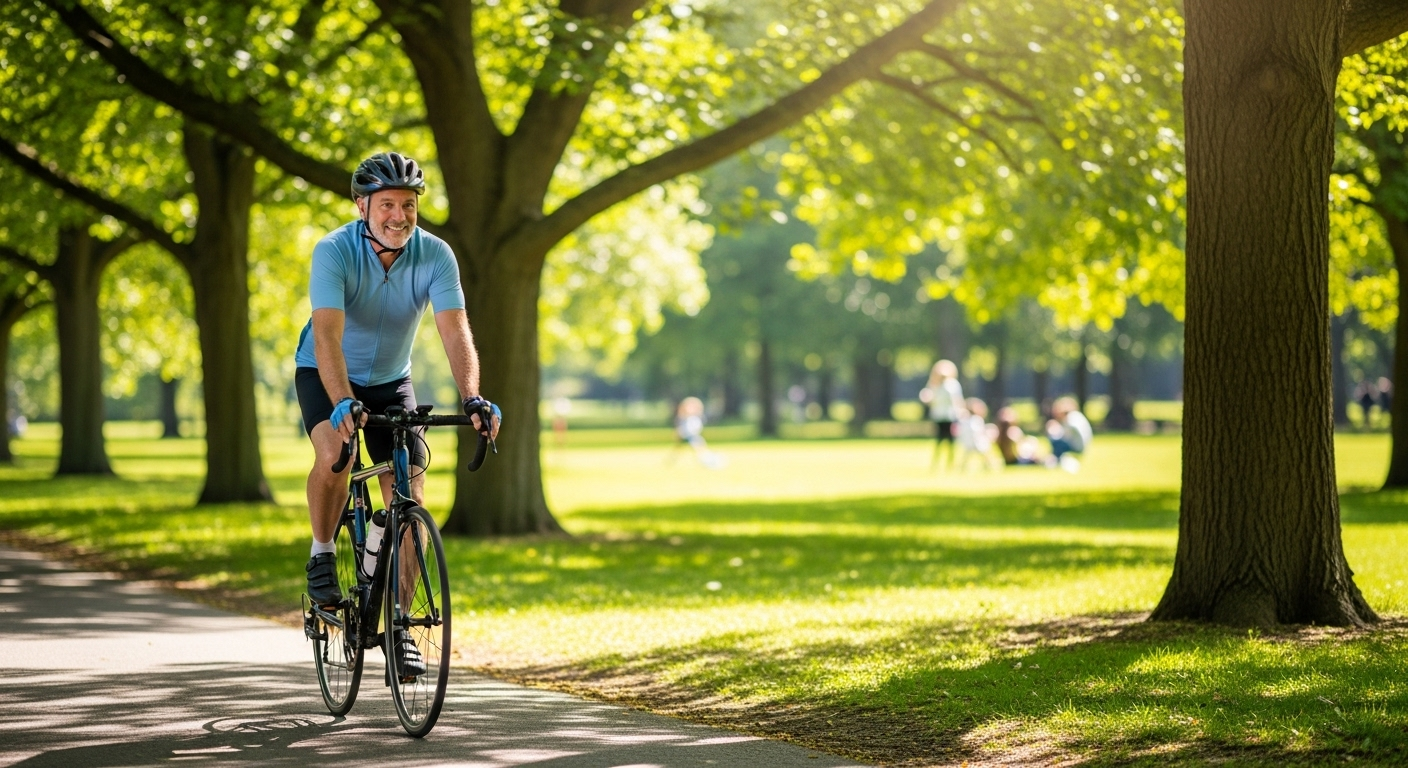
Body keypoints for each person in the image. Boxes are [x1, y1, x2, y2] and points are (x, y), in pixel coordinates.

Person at [294, 151, 500, 644]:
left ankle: (401, 624)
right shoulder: (334, 250)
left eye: (408, 205)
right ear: (361, 205)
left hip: (391, 381)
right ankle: (323, 551)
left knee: (410, 494)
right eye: (387, 204)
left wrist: (472, 396)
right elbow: (326, 335)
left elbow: (454, 331)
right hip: (325, 373)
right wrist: (343, 399)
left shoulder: (436, 254)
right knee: (335, 454)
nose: (399, 217)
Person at [919, 359, 965, 471]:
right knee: (939, 441)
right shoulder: (934, 385)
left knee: (951, 442)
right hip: (939, 417)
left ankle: (951, 463)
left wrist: (961, 412)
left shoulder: (953, 385)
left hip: (951, 416)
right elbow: (927, 397)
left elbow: (958, 400)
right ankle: (936, 463)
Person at [671, 396, 724, 469]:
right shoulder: (684, 418)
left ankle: (707, 460)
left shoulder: (694, 418)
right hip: (688, 436)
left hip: (692, 436)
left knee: (699, 449)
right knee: (694, 449)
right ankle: (708, 461)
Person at [1046, 396, 1092, 472]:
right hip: (1081, 446)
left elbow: (1064, 435)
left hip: (1077, 447)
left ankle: (1055, 459)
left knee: (1055, 440)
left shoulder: (1070, 418)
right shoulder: (1075, 416)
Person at [955, 397, 999, 471]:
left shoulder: (963, 421)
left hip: (967, 444)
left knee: (967, 456)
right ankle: (988, 466)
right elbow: (979, 432)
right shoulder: (976, 420)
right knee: (986, 451)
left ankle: (962, 468)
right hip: (977, 444)